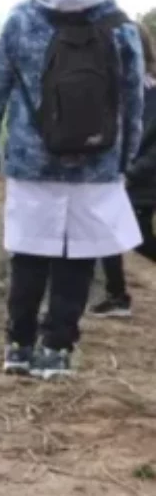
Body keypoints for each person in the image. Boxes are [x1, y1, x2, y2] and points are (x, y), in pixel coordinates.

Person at [0, 0, 144, 380]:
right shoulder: (120, 24)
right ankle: (57, 352)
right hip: (97, 163)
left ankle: (18, 346)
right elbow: (133, 103)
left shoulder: (21, 19)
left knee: (29, 254)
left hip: (32, 161)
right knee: (78, 259)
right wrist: (124, 162)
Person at [90, 22, 156, 317]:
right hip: (124, 174)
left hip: (144, 177)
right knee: (108, 228)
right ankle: (117, 296)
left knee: (136, 236)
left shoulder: (151, 93)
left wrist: (133, 171)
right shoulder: (118, 90)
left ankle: (117, 296)